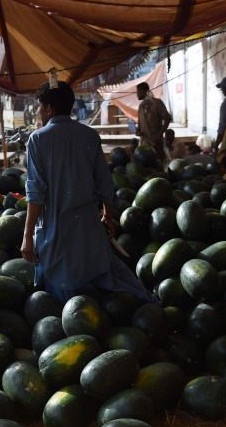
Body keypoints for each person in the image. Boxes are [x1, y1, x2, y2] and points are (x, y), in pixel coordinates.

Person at [21, 80, 153, 304]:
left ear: (49, 109)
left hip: (57, 234)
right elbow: (105, 184)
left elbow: (36, 194)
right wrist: (108, 217)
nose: (38, 112)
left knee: (69, 304)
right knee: (104, 294)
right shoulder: (90, 135)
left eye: (39, 107)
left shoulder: (38, 140)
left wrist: (27, 236)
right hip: (90, 231)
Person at [135, 82, 172, 164]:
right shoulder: (141, 106)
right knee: (145, 165)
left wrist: (160, 134)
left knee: (157, 164)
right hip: (144, 142)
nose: (136, 94)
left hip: (156, 142)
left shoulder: (157, 103)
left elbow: (167, 118)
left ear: (143, 91)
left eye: (137, 92)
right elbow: (140, 123)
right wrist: (138, 130)